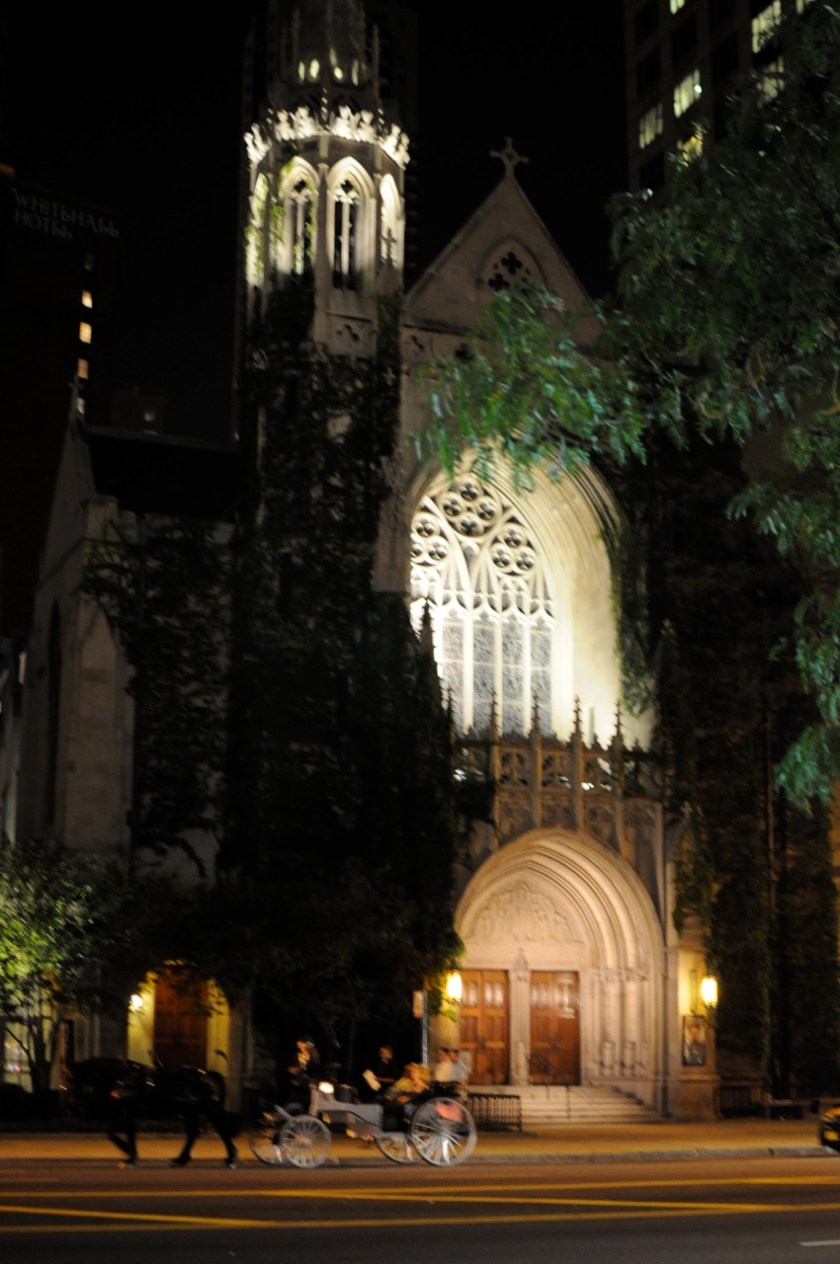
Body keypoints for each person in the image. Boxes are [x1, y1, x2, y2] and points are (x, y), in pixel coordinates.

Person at [170, 1068, 239, 1169]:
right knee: (193, 1132)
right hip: (200, 1106)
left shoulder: (208, 1084)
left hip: (210, 1106)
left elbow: (212, 1096)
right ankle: (185, 1155)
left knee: (221, 1130)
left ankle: (232, 1152)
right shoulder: (197, 1083)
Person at [105, 1061, 147, 1168]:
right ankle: (130, 1151)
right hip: (122, 1110)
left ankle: (132, 1154)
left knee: (127, 1132)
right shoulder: (123, 1079)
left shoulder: (132, 1079)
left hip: (127, 1109)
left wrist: (119, 1095)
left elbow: (133, 1093)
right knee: (113, 1132)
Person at [286, 1037, 322, 1110]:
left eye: (301, 1044)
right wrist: (294, 1069)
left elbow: (314, 1066)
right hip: (299, 1077)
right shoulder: (298, 1054)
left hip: (310, 1078)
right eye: (298, 1045)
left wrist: (301, 1069)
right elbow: (297, 1065)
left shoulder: (314, 1054)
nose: (299, 1046)